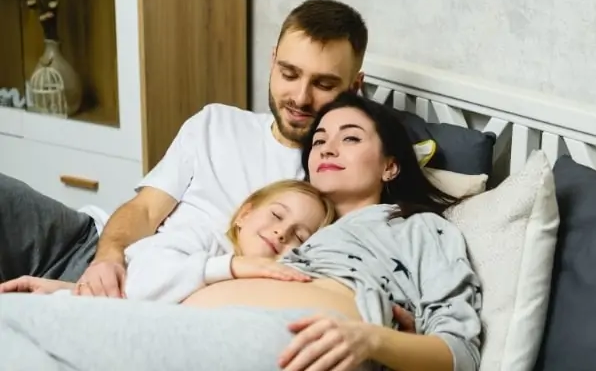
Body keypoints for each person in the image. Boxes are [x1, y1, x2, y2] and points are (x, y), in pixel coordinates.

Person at [0, 92, 482, 371]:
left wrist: (371, 341)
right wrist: (78, 290)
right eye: (319, 139)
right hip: (181, 323)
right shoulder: (294, 228)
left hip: (290, 342)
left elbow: (460, 350)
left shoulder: (418, 230)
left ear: (392, 165)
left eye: (350, 138)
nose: (327, 147)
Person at [0, 0, 369, 298]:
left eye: (323, 84)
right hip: (93, 247)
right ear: (272, 61)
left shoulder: (341, 180)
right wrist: (106, 259)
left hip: (157, 290)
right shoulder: (216, 122)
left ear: (355, 88)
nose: (300, 97)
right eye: (289, 74)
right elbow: (144, 211)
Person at [1, 180, 336, 304]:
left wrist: (61, 292)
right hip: (89, 244)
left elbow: (137, 301)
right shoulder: (205, 237)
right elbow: (143, 281)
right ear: (243, 215)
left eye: (299, 237)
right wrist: (230, 265)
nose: (282, 233)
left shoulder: (253, 288)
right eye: (276, 216)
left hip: (85, 294)